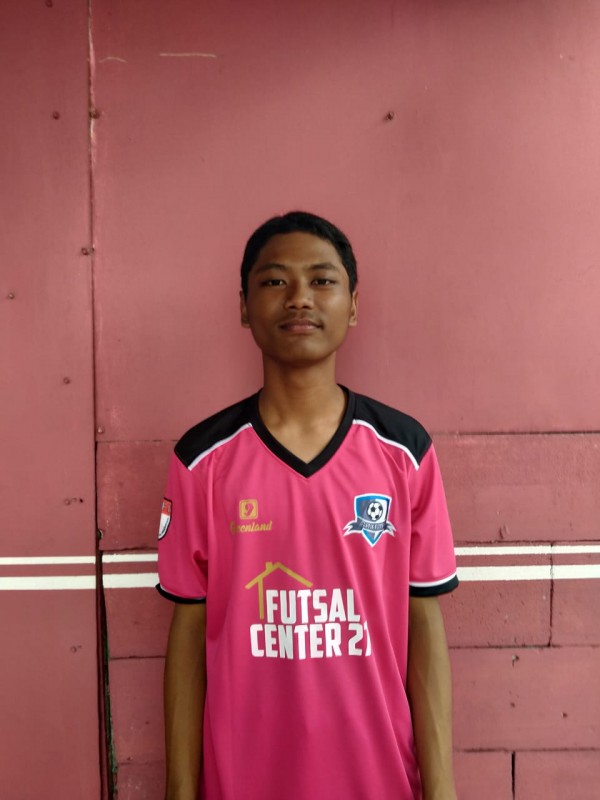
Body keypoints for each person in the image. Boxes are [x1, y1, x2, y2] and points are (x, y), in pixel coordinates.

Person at [157, 211, 459, 800]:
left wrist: (442, 788)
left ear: (353, 305)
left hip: (378, 779)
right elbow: (189, 631)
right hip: (244, 779)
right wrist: (180, 789)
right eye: (275, 281)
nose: (299, 297)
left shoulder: (405, 451)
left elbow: (423, 624)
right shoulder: (201, 460)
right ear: (244, 307)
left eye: (322, 280)